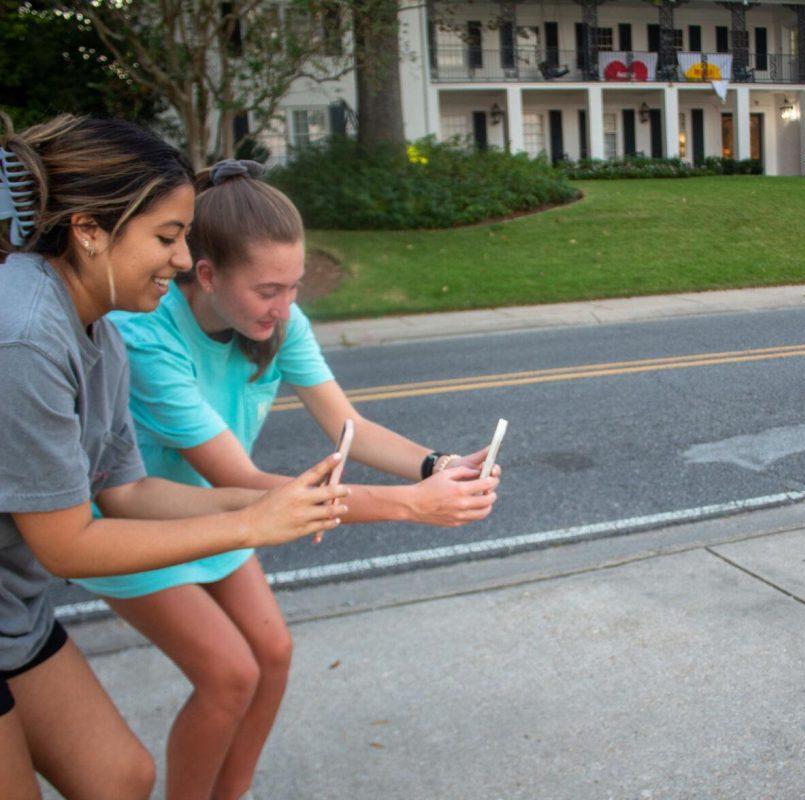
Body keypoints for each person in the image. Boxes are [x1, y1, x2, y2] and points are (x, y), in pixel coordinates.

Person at [73, 160, 501, 800]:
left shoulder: (277, 322)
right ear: (208, 275)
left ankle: (232, 792)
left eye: (296, 286)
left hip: (230, 514)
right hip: (138, 521)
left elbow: (345, 421)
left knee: (271, 656)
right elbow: (241, 479)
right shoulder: (146, 336)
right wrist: (410, 505)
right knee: (228, 675)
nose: (286, 305)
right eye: (269, 289)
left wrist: (436, 466)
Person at [0, 115, 350, 800]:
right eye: (167, 237)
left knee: (121, 779)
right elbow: (68, 545)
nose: (186, 260)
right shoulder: (25, 338)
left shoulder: (100, 331)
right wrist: (251, 524)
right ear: (89, 231)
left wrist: (264, 504)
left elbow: (127, 491)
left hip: (16, 613)